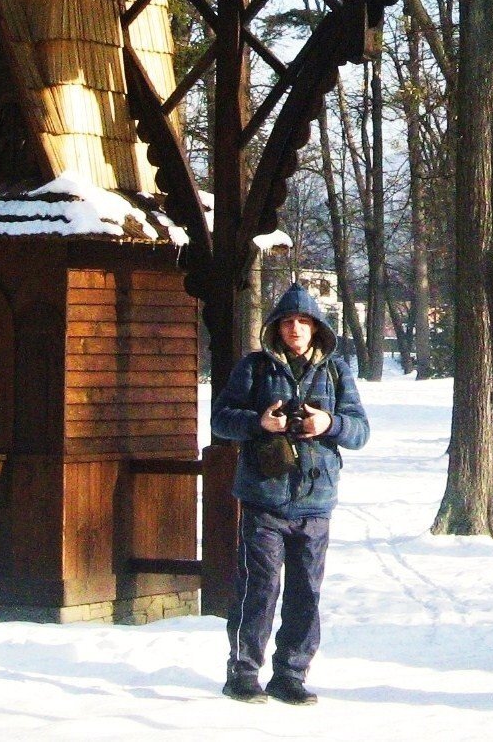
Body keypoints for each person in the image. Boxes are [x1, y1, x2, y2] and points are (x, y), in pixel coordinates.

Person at [211, 282, 369, 705]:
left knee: (306, 593)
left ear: (317, 328)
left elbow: (361, 431)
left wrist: (328, 424)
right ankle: (243, 673)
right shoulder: (254, 368)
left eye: (303, 321)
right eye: (287, 321)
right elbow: (221, 420)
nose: (295, 329)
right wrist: (259, 422)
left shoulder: (337, 371)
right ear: (276, 327)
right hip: (264, 498)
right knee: (258, 589)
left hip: (316, 503)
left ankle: (291, 675)